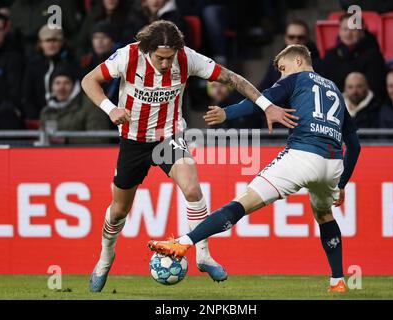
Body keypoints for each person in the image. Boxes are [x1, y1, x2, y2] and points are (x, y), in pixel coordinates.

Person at [81, 20, 293, 292]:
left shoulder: (187, 58)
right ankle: (106, 257)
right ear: (147, 49)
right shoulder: (128, 56)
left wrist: (267, 106)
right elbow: (89, 80)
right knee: (120, 209)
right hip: (133, 141)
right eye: (161, 58)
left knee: (193, 189)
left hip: (169, 138)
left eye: (170, 58)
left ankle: (203, 255)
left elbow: (233, 79)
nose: (167, 64)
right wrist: (110, 108)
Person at [148, 44, 361, 293]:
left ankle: (182, 243)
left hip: (302, 156)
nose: (282, 75)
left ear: (299, 62)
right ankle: (337, 281)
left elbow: (261, 102)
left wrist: (226, 113)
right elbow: (355, 146)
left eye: (283, 69)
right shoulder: (334, 89)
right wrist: (342, 183)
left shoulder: (295, 80)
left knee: (241, 203)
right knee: (324, 215)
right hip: (333, 163)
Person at [321, 13, 387, 100]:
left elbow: (376, 90)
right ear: (339, 31)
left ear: (362, 30)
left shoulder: (374, 56)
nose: (348, 33)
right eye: (345, 29)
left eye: (353, 29)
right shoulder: (331, 55)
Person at [40, 63, 110, 144]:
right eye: (57, 83)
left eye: (66, 83)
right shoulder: (47, 110)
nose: (61, 88)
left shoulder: (91, 105)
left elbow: (100, 138)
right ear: (51, 87)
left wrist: (67, 140)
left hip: (82, 155)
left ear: (74, 86)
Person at [21, 24, 78, 120]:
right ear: (40, 43)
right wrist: (35, 117)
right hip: (38, 118)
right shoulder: (33, 65)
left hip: (68, 117)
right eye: (47, 40)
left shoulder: (71, 64)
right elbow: (27, 95)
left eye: (55, 40)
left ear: (62, 42)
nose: (51, 44)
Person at [259, 19, 321, 91]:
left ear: (307, 39)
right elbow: (262, 90)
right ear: (285, 38)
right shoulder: (275, 64)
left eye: (300, 37)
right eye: (291, 37)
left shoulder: (319, 65)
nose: (296, 41)